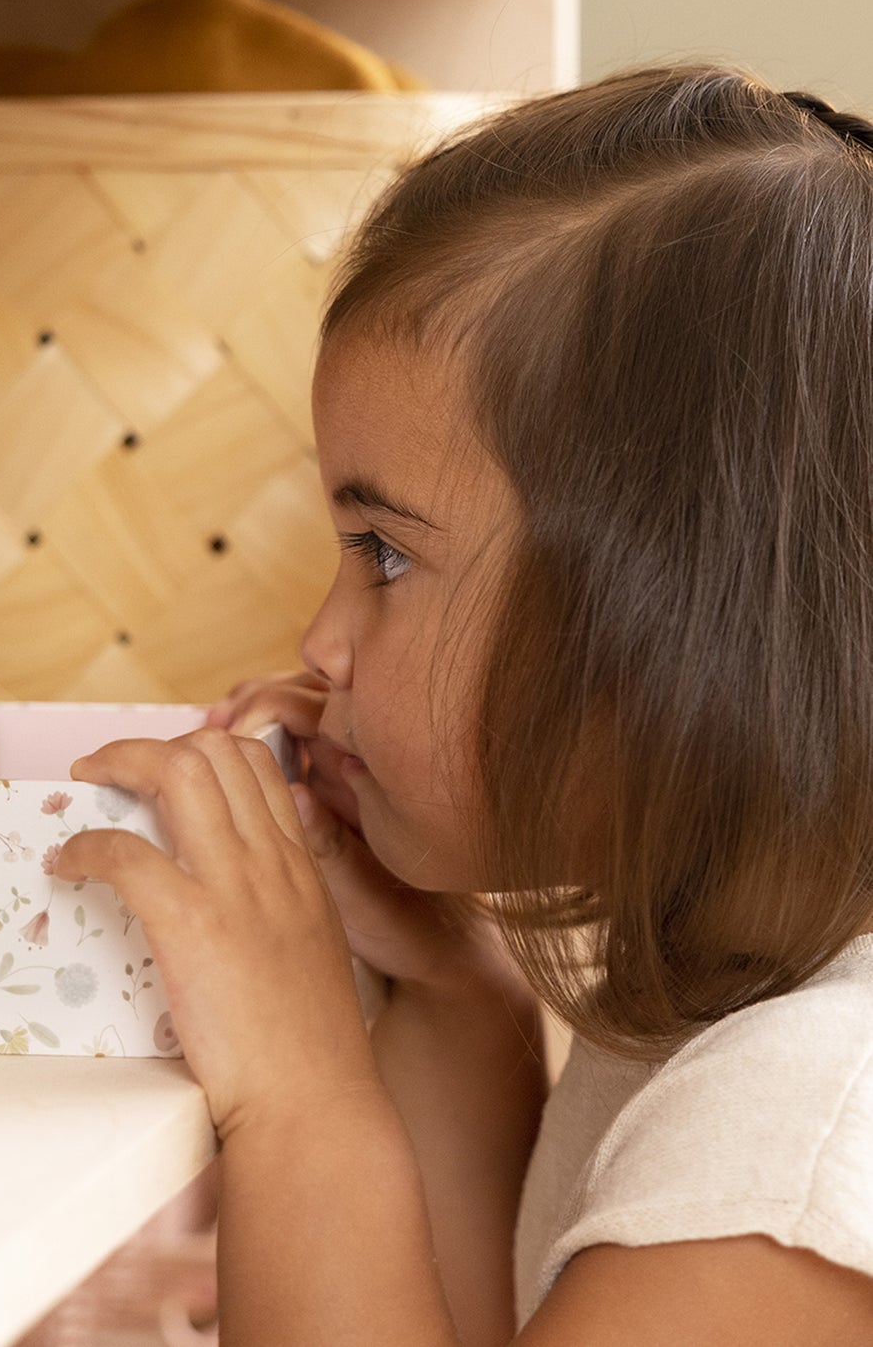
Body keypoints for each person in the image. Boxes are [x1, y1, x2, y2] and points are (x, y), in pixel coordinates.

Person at [50, 66, 873, 1345]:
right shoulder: (734, 975)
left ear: (664, 620)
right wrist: (455, 991)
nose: (321, 638)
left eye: (382, 551)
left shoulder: (793, 1150)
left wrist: (299, 1096)